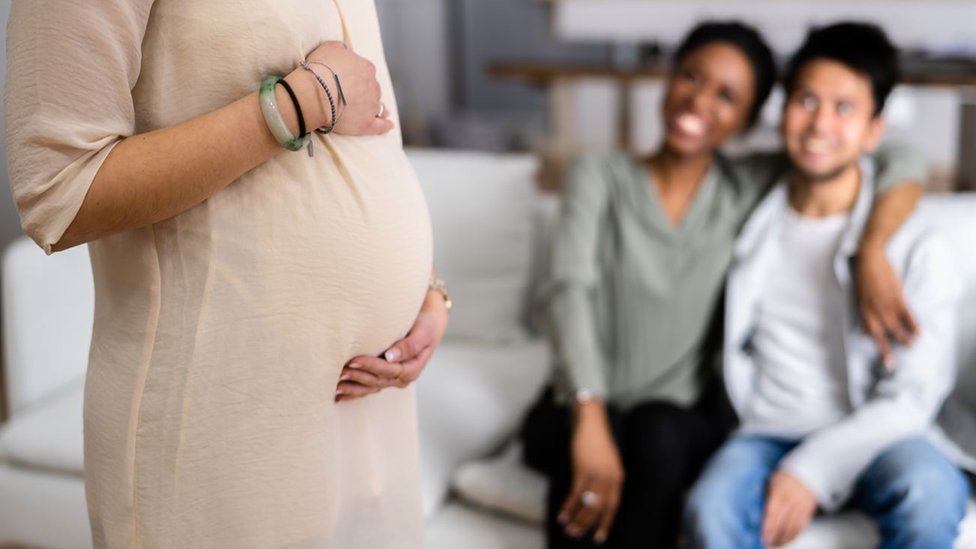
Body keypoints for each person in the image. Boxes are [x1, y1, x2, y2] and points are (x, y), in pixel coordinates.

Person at [4, 1, 448, 548]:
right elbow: (58, 192)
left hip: (373, 411)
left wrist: (426, 290)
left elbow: (366, 115)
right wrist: (301, 102)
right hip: (222, 420)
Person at [520, 21, 928, 549]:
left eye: (727, 96)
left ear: (749, 119)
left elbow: (899, 159)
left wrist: (871, 249)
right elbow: (567, 290)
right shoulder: (598, 175)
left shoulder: (745, 187)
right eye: (690, 76)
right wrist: (589, 416)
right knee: (607, 441)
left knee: (656, 433)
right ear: (669, 78)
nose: (699, 101)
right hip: (579, 402)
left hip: (672, 420)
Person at [683, 22, 970, 549]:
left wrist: (811, 470)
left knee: (929, 493)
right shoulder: (748, 213)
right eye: (806, 101)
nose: (819, 125)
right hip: (764, 429)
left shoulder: (915, 245)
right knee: (710, 509)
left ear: (873, 130)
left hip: (881, 432)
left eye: (844, 109)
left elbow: (914, 396)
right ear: (783, 108)